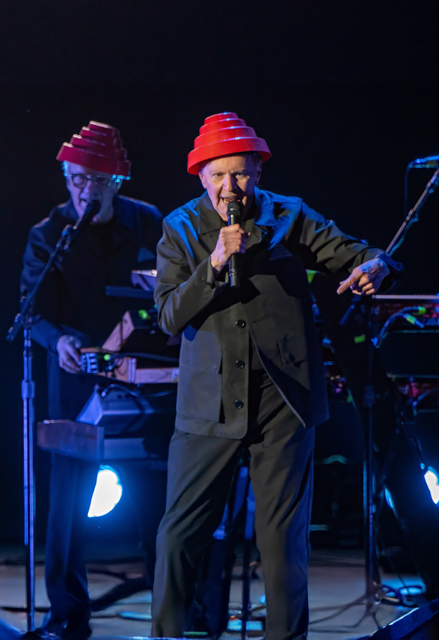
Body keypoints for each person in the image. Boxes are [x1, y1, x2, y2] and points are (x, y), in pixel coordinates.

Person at [151, 112, 399, 639]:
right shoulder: (179, 228)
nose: (230, 187)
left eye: (240, 173)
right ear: (201, 177)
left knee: (283, 547)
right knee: (178, 538)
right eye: (218, 175)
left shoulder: (291, 214)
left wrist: (375, 265)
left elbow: (355, 252)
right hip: (210, 404)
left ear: (258, 172)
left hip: (284, 402)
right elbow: (169, 316)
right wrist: (214, 263)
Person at [20, 122, 165, 640]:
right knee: (67, 508)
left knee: (159, 502)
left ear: (116, 182)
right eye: (77, 179)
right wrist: (57, 340)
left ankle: (174, 613)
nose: (85, 190)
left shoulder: (148, 222)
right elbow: (31, 313)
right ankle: (67, 618)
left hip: (145, 382)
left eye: (97, 180)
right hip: (77, 387)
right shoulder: (49, 233)